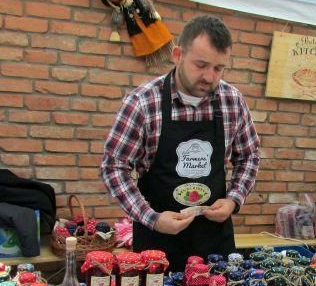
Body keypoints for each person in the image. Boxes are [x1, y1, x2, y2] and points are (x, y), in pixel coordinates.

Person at [101, 15, 260, 271]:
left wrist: (233, 199)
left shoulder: (232, 101)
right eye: (201, 65)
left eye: (218, 68)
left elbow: (249, 156)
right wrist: (150, 218)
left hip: (214, 244)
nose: (209, 76)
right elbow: (113, 167)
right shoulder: (143, 103)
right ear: (177, 55)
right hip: (157, 242)